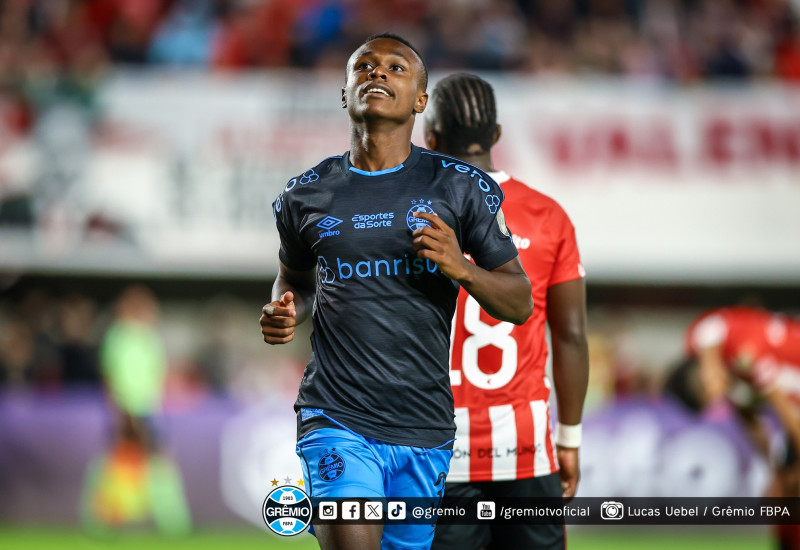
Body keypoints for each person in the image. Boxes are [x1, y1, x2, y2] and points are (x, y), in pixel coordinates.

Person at [259, 34, 533, 550]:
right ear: (344, 92)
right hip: (336, 417)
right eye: (363, 66)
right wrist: (285, 310)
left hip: (423, 425)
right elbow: (293, 282)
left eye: (395, 68)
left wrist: (463, 269)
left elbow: (521, 302)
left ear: (421, 100)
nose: (377, 73)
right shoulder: (304, 194)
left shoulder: (460, 187)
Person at [424, 74, 589, 550]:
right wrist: (570, 439)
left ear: (430, 139)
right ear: (496, 136)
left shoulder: (416, 214)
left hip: (441, 452)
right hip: (526, 450)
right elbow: (572, 337)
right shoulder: (547, 215)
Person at [678, 306, 800, 549]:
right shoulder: (719, 353)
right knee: (780, 499)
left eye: (709, 392)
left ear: (705, 372)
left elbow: (789, 417)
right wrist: (774, 467)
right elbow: (750, 418)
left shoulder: (746, 355)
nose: (716, 397)